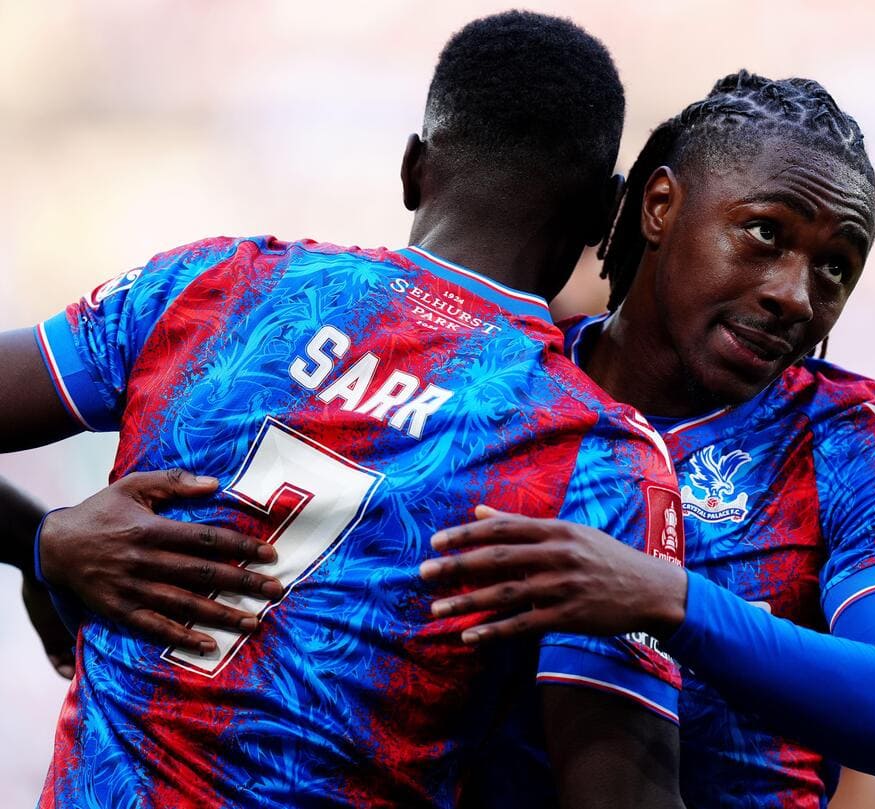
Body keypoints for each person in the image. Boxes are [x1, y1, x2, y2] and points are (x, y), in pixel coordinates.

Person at [0, 12, 686, 808]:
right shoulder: (595, 453)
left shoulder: (213, 286)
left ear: (411, 168)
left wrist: (39, 539)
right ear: (608, 217)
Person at [419, 72, 875, 807]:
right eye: (766, 233)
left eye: (834, 267)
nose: (795, 295)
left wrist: (671, 600)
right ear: (660, 206)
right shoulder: (502, 383)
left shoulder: (851, 438)